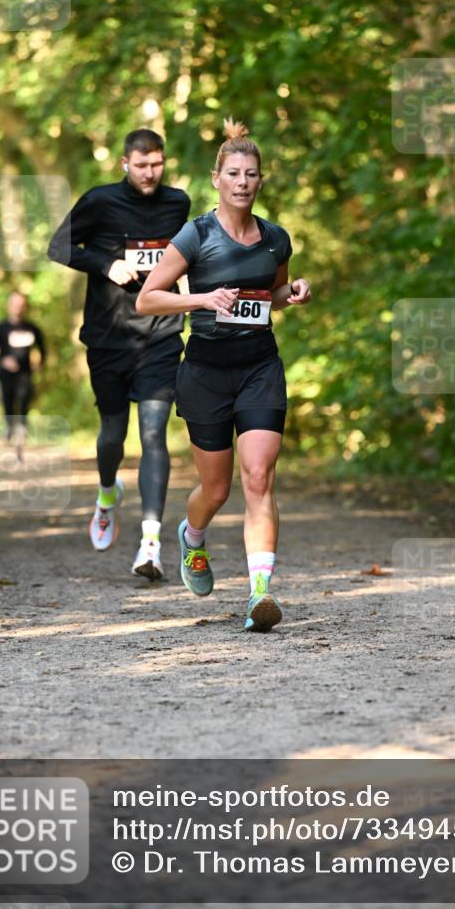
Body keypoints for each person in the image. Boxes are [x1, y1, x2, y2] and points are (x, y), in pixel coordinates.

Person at [137, 118, 311, 631]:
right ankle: (192, 538)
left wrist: (293, 291)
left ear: (261, 181)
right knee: (216, 489)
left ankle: (260, 594)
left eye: (251, 174)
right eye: (233, 173)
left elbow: (271, 295)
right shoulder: (197, 234)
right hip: (206, 372)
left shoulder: (276, 239)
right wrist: (201, 298)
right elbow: (149, 297)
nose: (242, 182)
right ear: (217, 178)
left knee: (259, 476)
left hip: (259, 367)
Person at [48, 128, 190, 579]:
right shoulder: (100, 201)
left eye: (157, 164)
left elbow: (188, 259)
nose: (151, 173)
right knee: (113, 435)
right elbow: (58, 247)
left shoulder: (178, 203)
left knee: (153, 434)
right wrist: (104, 263)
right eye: (142, 164)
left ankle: (151, 544)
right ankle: (107, 494)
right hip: (109, 337)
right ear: (125, 163)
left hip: (162, 335)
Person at [0, 291, 45, 451]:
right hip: (5, 376)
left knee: (25, 400)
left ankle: (22, 432)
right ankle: (9, 429)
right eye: (15, 304)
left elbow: (42, 347)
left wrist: (41, 361)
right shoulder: (1, 328)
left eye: (21, 305)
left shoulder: (32, 328)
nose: (18, 308)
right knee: (8, 403)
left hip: (25, 374)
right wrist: (3, 360)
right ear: (9, 306)